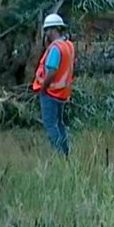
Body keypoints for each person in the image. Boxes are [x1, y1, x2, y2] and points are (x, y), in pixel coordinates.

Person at [32, 13, 75, 156]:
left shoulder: (55, 48)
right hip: (62, 93)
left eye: (46, 30)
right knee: (59, 124)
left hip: (51, 92)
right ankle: (65, 152)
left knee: (50, 125)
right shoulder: (68, 45)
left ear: (52, 30)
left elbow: (52, 70)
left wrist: (43, 88)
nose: (45, 34)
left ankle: (59, 155)